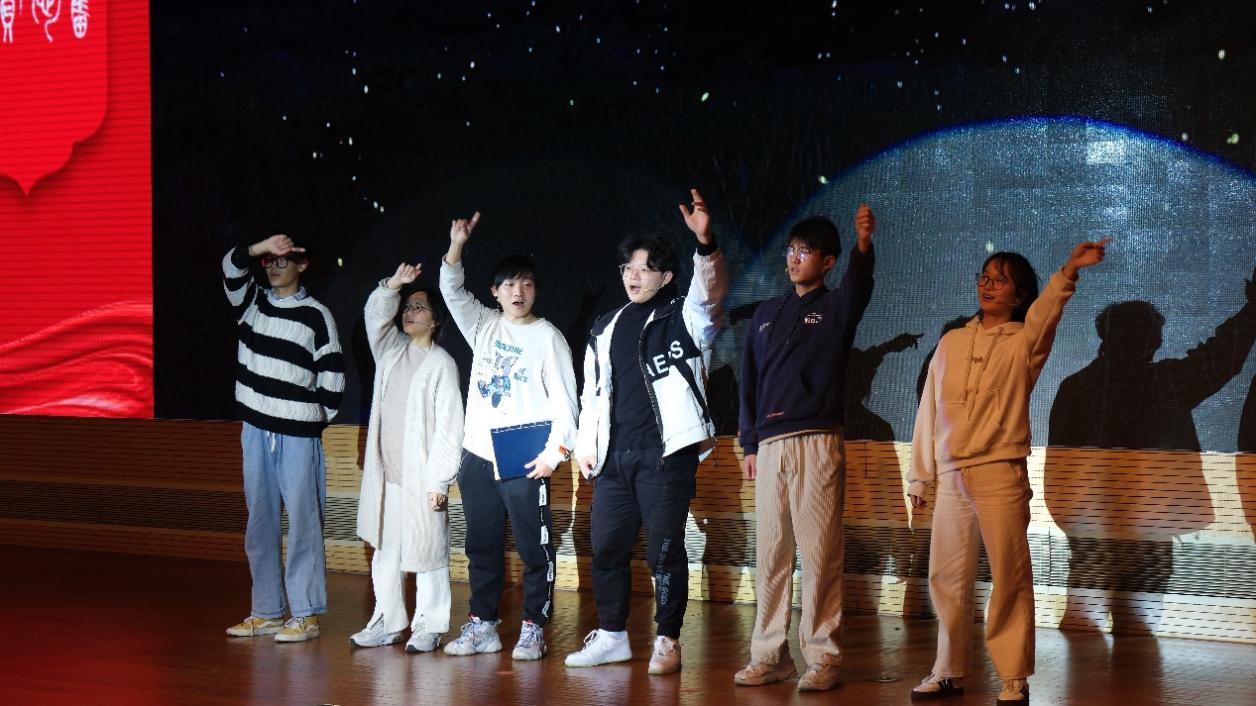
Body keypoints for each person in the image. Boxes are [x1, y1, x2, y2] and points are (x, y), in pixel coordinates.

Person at [908, 239, 1110, 704]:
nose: (988, 285)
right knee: (946, 575)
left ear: (1019, 295)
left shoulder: (1024, 340)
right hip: (952, 473)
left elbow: (1046, 314)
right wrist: (921, 475)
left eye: (999, 281)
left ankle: (1013, 677)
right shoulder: (952, 341)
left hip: (999, 470)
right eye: (984, 277)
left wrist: (1069, 271)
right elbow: (929, 409)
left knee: (1009, 574)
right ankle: (947, 670)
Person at [564, 188, 729, 675]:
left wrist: (705, 244)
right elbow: (592, 394)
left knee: (664, 552)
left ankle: (667, 639)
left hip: (665, 456)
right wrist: (587, 446)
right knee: (606, 549)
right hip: (614, 461)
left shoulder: (686, 316)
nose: (633, 276)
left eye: (644, 268)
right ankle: (612, 635)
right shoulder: (605, 326)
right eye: (627, 268)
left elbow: (710, 291)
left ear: (666, 276)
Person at [734, 206, 877, 692]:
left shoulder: (835, 307)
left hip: (817, 440)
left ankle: (823, 657)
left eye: (806, 251)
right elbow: (749, 383)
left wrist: (863, 246)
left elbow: (859, 287)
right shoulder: (765, 315)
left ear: (828, 262)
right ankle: (770, 656)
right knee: (771, 554)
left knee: (818, 555)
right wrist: (749, 443)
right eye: (791, 250)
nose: (794, 259)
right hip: (769, 445)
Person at [439, 212, 578, 661]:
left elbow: (567, 406)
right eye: (510, 285)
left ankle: (534, 626)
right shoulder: (483, 325)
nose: (519, 292)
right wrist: (457, 245)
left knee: (535, 548)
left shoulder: (548, 338)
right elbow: (450, 290)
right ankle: (483, 625)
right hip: (478, 455)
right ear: (495, 292)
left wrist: (553, 455)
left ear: (535, 290)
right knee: (480, 546)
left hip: (524, 457)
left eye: (527, 284)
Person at [222, 234, 345, 643]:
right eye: (269, 261)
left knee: (304, 522)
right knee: (260, 523)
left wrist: (309, 421)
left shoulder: (317, 315)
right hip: (255, 430)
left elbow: (332, 378)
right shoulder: (251, 303)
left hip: (297, 434)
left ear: (302, 265)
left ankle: (305, 613)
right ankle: (267, 611)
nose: (274, 267)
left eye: (283, 260)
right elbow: (230, 266)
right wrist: (259, 248)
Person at [350, 263, 464, 653]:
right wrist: (394, 284)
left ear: (435, 320)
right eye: (407, 307)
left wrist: (440, 481)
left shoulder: (442, 364)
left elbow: (450, 427)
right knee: (386, 551)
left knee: (429, 550)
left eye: (418, 307)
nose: (409, 312)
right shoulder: (391, 353)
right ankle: (388, 620)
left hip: (422, 479)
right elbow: (374, 315)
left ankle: (429, 624)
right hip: (388, 477)